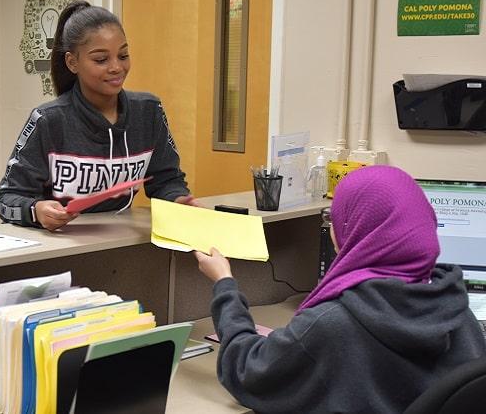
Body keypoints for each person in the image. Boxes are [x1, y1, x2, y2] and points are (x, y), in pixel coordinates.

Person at [195, 165, 486, 414]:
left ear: (357, 232)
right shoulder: (455, 306)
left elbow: (247, 371)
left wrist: (225, 284)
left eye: (337, 218)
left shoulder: (333, 323)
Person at [0, 0, 194, 231]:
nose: (116, 67)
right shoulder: (48, 120)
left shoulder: (149, 112)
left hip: (119, 246)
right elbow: (4, 198)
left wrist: (180, 201)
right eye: (101, 59)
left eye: (123, 55)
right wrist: (36, 211)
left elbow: (167, 181)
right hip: (55, 248)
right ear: (72, 62)